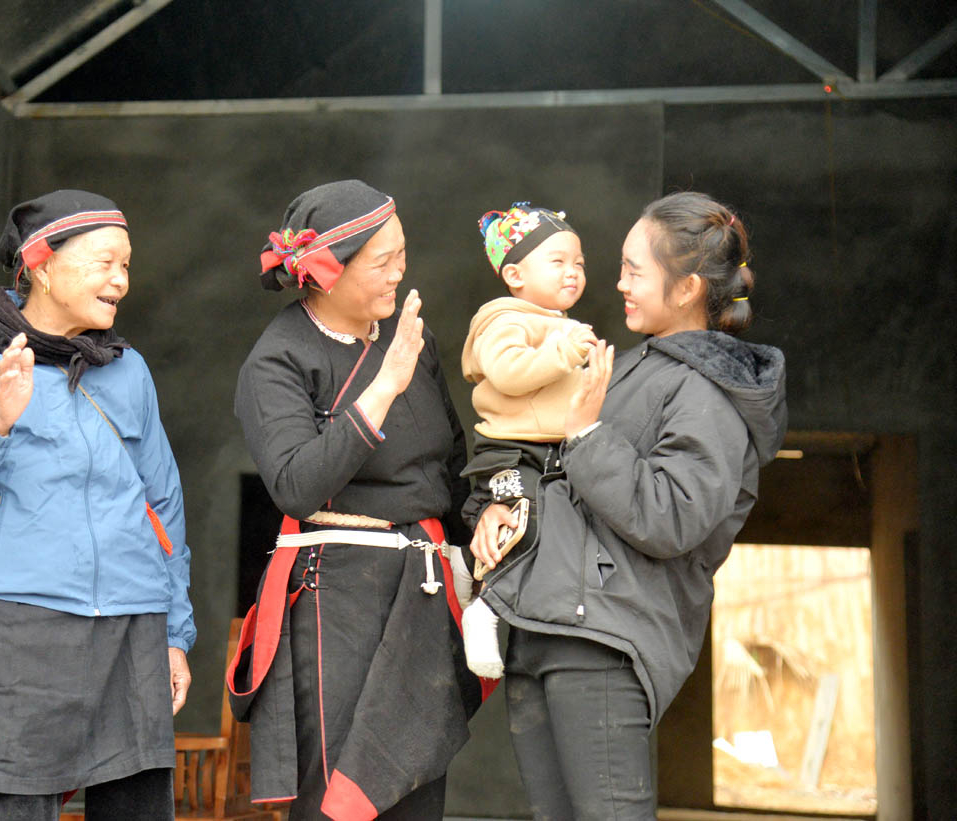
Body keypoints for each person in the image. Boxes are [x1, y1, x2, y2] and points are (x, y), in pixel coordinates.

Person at [468, 191, 787, 819]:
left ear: (689, 286)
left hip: (605, 639)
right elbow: (552, 472)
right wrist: (497, 501)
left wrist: (586, 434)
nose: (617, 284)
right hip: (546, 626)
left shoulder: (707, 388)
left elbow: (673, 516)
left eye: (634, 270)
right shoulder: (641, 365)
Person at [0, 190, 195, 821]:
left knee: (136, 807)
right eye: (105, 262)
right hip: (21, 623)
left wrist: (174, 633)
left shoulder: (128, 370)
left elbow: (162, 504)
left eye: (127, 265)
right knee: (12, 806)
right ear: (42, 265)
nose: (121, 280)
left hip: (133, 623)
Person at [226, 180, 485, 821]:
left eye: (403, 253)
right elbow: (296, 484)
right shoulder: (278, 361)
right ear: (327, 273)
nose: (401, 271)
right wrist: (385, 386)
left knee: (416, 784)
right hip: (333, 596)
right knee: (338, 792)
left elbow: (450, 463)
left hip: (421, 593)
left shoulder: (407, 338)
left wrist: (490, 515)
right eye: (383, 261)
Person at [452, 203, 598, 678]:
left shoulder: (561, 324)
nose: (572, 272)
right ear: (514, 273)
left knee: (563, 532)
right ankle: (484, 608)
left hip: (554, 453)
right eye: (557, 262)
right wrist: (564, 351)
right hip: (513, 453)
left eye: (578, 263)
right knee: (525, 526)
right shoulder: (505, 318)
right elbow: (510, 373)